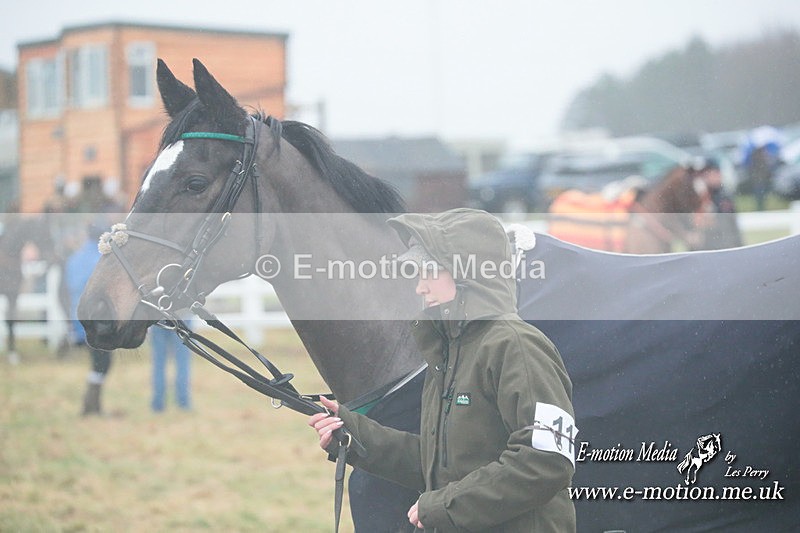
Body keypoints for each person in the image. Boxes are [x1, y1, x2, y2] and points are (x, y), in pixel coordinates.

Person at [309, 208, 577, 532]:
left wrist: (445, 505)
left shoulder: (517, 345)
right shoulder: (449, 350)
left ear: (467, 274)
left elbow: (547, 461)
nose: (420, 288)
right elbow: (439, 464)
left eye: (430, 273)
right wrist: (354, 435)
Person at [65, 219, 113, 416]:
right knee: (102, 362)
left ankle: (93, 405)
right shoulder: (102, 260)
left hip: (79, 317)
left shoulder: (75, 258)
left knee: (98, 361)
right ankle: (90, 405)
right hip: (98, 318)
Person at [697, 157, 743, 250]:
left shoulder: (724, 197)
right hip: (706, 247)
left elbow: (732, 224)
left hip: (724, 245)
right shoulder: (699, 196)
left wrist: (738, 245)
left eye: (716, 173)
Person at [148, 319, 192, 412]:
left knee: (159, 361)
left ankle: (158, 404)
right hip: (182, 318)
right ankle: (183, 403)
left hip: (159, 319)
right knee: (182, 360)